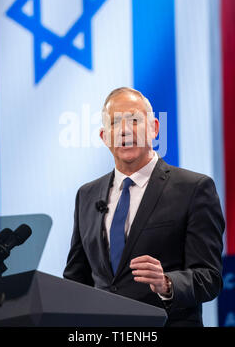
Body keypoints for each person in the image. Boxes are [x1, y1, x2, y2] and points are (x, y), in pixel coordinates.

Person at [63, 87, 225, 327]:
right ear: (103, 136)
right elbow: (76, 279)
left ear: (155, 128)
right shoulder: (86, 195)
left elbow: (209, 277)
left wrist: (167, 283)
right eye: (115, 123)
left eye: (135, 120)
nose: (125, 130)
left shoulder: (193, 188)